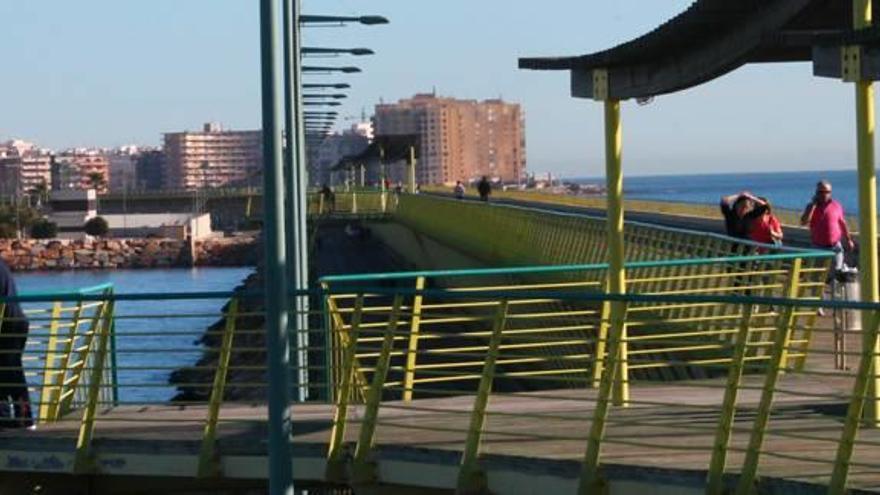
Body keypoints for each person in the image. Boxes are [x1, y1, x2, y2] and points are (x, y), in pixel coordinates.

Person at [0, 258, 33, 429]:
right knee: (11, 372)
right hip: (16, 320)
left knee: (10, 372)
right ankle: (21, 419)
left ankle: (19, 419)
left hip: (7, 323)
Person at [801, 180, 854, 274]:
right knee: (817, 275)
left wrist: (848, 240)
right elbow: (804, 222)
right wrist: (813, 206)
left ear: (830, 193)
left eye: (827, 192)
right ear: (816, 193)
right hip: (818, 247)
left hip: (835, 246)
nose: (824, 194)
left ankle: (835, 288)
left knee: (837, 273)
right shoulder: (811, 206)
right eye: (820, 192)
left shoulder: (836, 205)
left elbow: (842, 223)